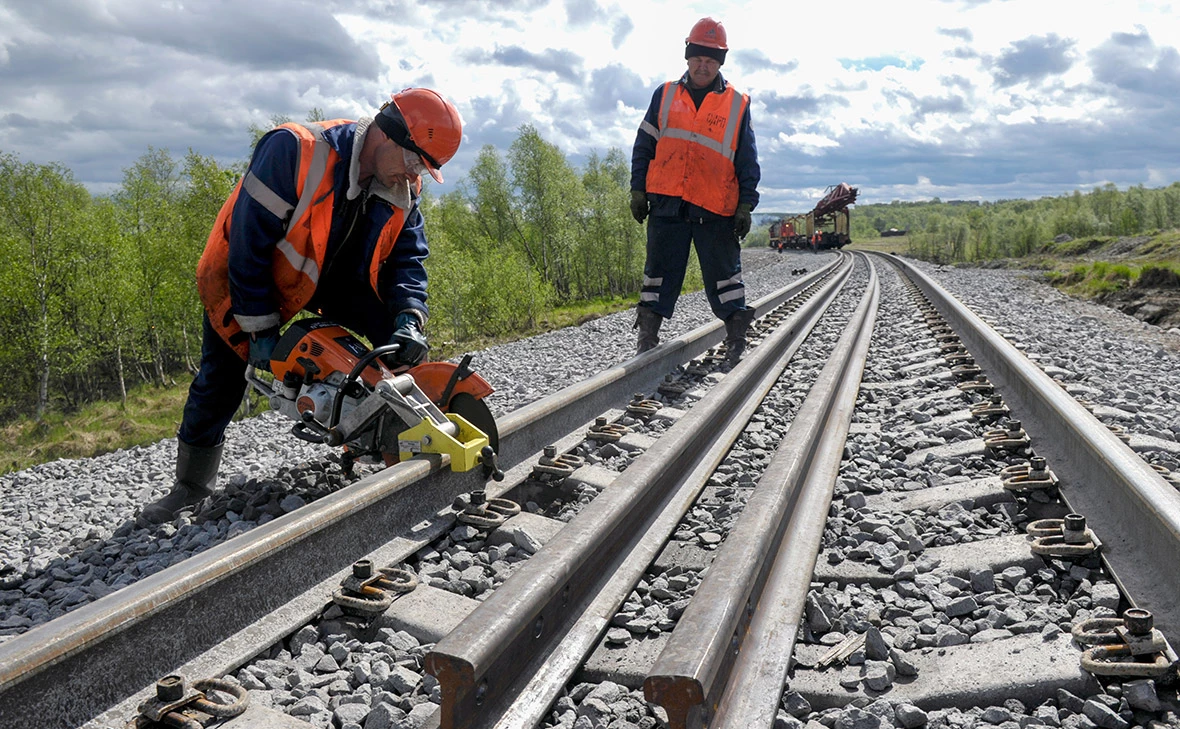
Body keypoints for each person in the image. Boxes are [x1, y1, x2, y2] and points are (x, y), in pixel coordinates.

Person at [139, 88, 463, 525]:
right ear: (388, 135)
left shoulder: (403, 184)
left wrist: (409, 317)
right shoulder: (293, 151)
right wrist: (259, 329)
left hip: (332, 278)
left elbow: (408, 258)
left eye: (423, 169)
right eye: (414, 161)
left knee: (398, 347)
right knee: (221, 377)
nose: (413, 174)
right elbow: (248, 245)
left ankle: (389, 439)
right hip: (249, 278)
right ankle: (190, 486)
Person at [629, 17, 761, 364]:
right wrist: (637, 190)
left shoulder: (737, 103)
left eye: (711, 61)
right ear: (688, 57)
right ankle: (647, 340)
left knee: (725, 278)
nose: (703, 66)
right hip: (667, 202)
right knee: (658, 274)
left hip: (715, 207)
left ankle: (736, 340)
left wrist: (745, 205)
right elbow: (644, 145)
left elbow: (747, 159)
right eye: (698, 59)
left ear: (720, 62)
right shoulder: (664, 94)